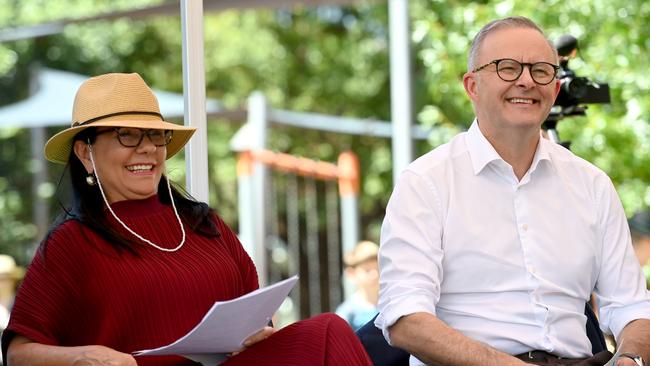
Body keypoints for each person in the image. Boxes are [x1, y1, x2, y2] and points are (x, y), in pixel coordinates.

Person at [2, 72, 371, 366]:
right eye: (127, 135)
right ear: (85, 152)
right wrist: (82, 356)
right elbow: (18, 354)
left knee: (327, 332)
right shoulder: (71, 243)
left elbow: (258, 315)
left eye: (155, 135)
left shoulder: (203, 222)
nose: (147, 147)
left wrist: (261, 333)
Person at [375, 16, 650, 366]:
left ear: (554, 88)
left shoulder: (592, 184)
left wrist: (631, 360)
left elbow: (632, 305)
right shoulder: (425, 182)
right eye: (507, 68)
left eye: (541, 70)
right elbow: (405, 318)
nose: (525, 81)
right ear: (472, 86)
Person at [336, 241, 380, 330]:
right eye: (367, 270)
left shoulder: (391, 303)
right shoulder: (347, 312)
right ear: (351, 273)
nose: (375, 274)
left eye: (378, 268)